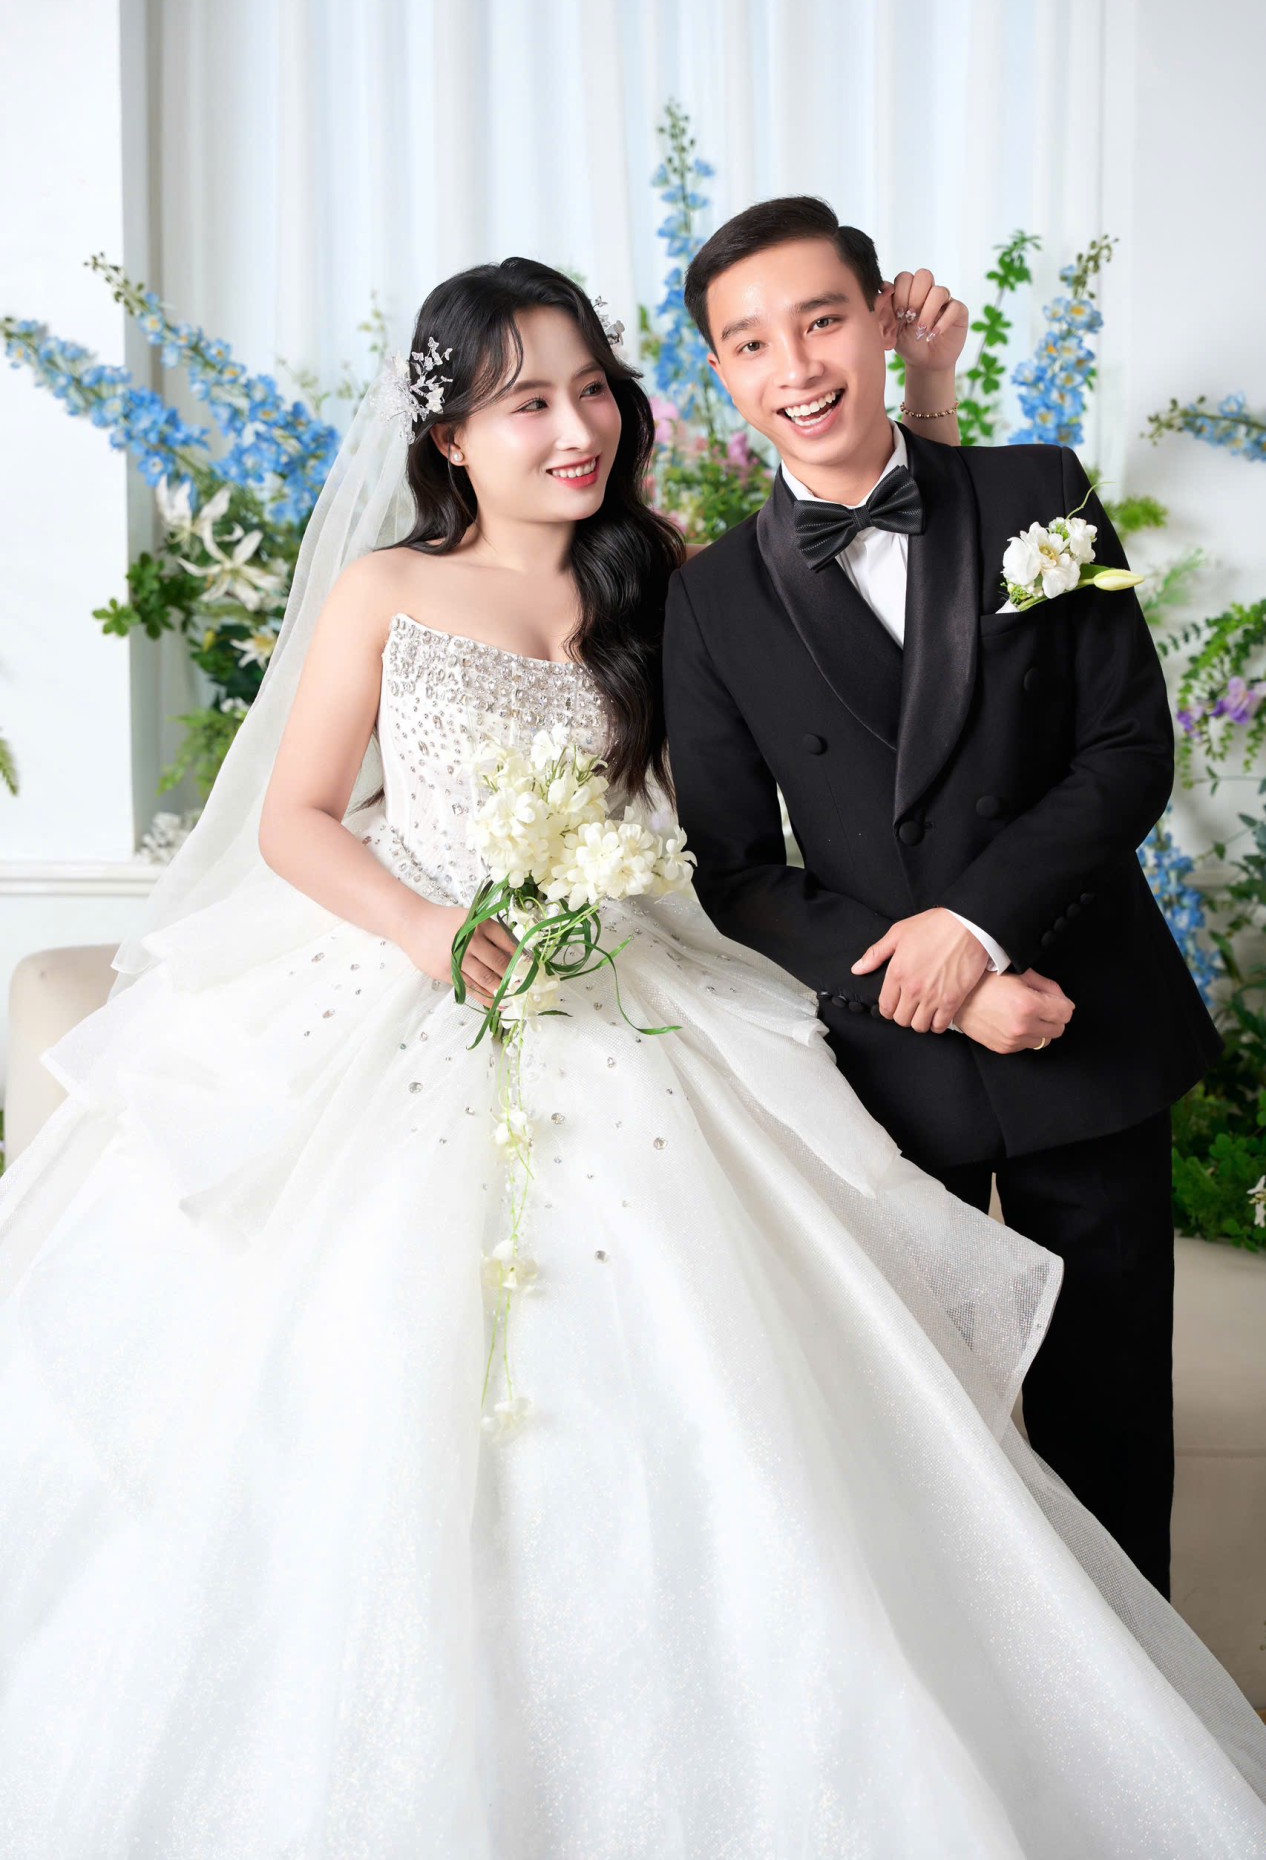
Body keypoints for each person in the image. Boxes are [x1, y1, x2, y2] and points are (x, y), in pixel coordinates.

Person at [0, 256, 1262, 1857]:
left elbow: (892, 661)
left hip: (628, 980)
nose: (575, 428)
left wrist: (930, 408)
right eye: (527, 402)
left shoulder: (665, 577)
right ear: (448, 436)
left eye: (592, 388)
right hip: (421, 977)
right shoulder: (387, 590)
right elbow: (296, 818)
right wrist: (421, 931)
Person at [662, 196, 1224, 1605]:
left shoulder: (1035, 492)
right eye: (750, 343)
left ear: (881, 319)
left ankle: (1139, 1718)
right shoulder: (711, 600)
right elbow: (733, 868)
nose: (795, 366)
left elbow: (1125, 749)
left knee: (1110, 1419)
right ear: (719, 375)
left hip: (1082, 1021)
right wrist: (937, 983)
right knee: (927, 1447)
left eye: (821, 319)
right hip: (890, 1062)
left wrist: (976, 929)